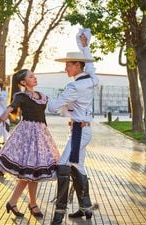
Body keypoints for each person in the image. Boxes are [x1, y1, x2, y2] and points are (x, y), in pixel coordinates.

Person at [0, 69, 60, 218]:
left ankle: (15, 202)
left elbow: (50, 110)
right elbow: (11, 107)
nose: (35, 78)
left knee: (32, 173)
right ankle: (30, 204)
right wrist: (0, 119)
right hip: (27, 135)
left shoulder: (42, 96)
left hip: (41, 134)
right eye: (31, 76)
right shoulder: (20, 96)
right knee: (29, 173)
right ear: (23, 82)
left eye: (34, 75)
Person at [48, 29, 99, 224]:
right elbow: (91, 66)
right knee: (78, 168)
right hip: (81, 130)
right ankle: (85, 208)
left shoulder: (74, 86)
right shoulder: (91, 79)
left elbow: (53, 106)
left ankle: (59, 212)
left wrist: (43, 99)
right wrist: (84, 46)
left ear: (78, 66)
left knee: (63, 166)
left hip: (79, 132)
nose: (65, 69)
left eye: (68, 66)